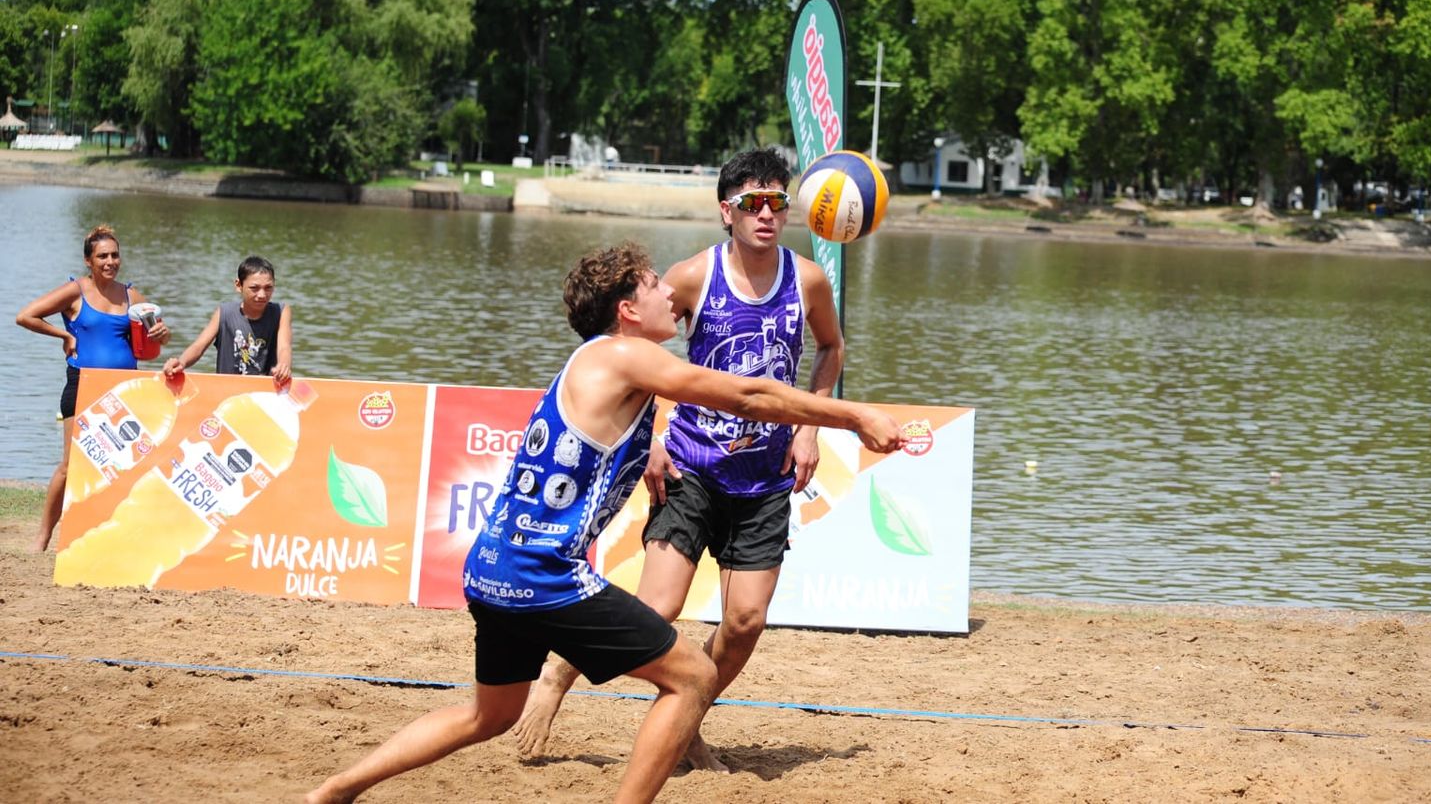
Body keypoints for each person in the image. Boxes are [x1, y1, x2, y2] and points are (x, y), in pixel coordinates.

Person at [305, 243, 901, 804]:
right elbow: (747, 396)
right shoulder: (625, 354)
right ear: (626, 310)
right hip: (544, 572)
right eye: (651, 286)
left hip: (493, 564)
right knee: (692, 676)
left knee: (487, 716)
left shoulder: (594, 361)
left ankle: (334, 790)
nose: (668, 294)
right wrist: (851, 414)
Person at [516, 148, 842, 772]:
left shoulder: (808, 280)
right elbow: (634, 344)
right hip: (691, 466)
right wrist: (656, 437)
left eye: (779, 200)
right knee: (657, 608)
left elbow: (831, 348)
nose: (768, 212)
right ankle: (559, 674)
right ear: (728, 211)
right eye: (754, 202)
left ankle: (687, 719)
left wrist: (808, 425)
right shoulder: (694, 276)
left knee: (745, 622)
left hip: (765, 478)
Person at [15, 224, 172, 551]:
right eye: (103, 256)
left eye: (115, 255)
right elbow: (26, 316)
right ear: (89, 260)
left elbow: (152, 344)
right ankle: (42, 538)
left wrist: (162, 335)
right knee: (71, 466)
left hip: (124, 391)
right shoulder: (75, 291)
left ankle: (106, 537)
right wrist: (65, 335)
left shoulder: (132, 296)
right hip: (82, 385)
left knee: (121, 467)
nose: (110, 261)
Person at [162, 255, 292, 384]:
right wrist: (182, 362)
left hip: (266, 392)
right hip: (228, 390)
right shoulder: (224, 313)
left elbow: (284, 347)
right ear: (238, 285)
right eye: (254, 288)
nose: (262, 295)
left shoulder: (280, 312)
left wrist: (283, 365)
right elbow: (199, 346)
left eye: (268, 288)